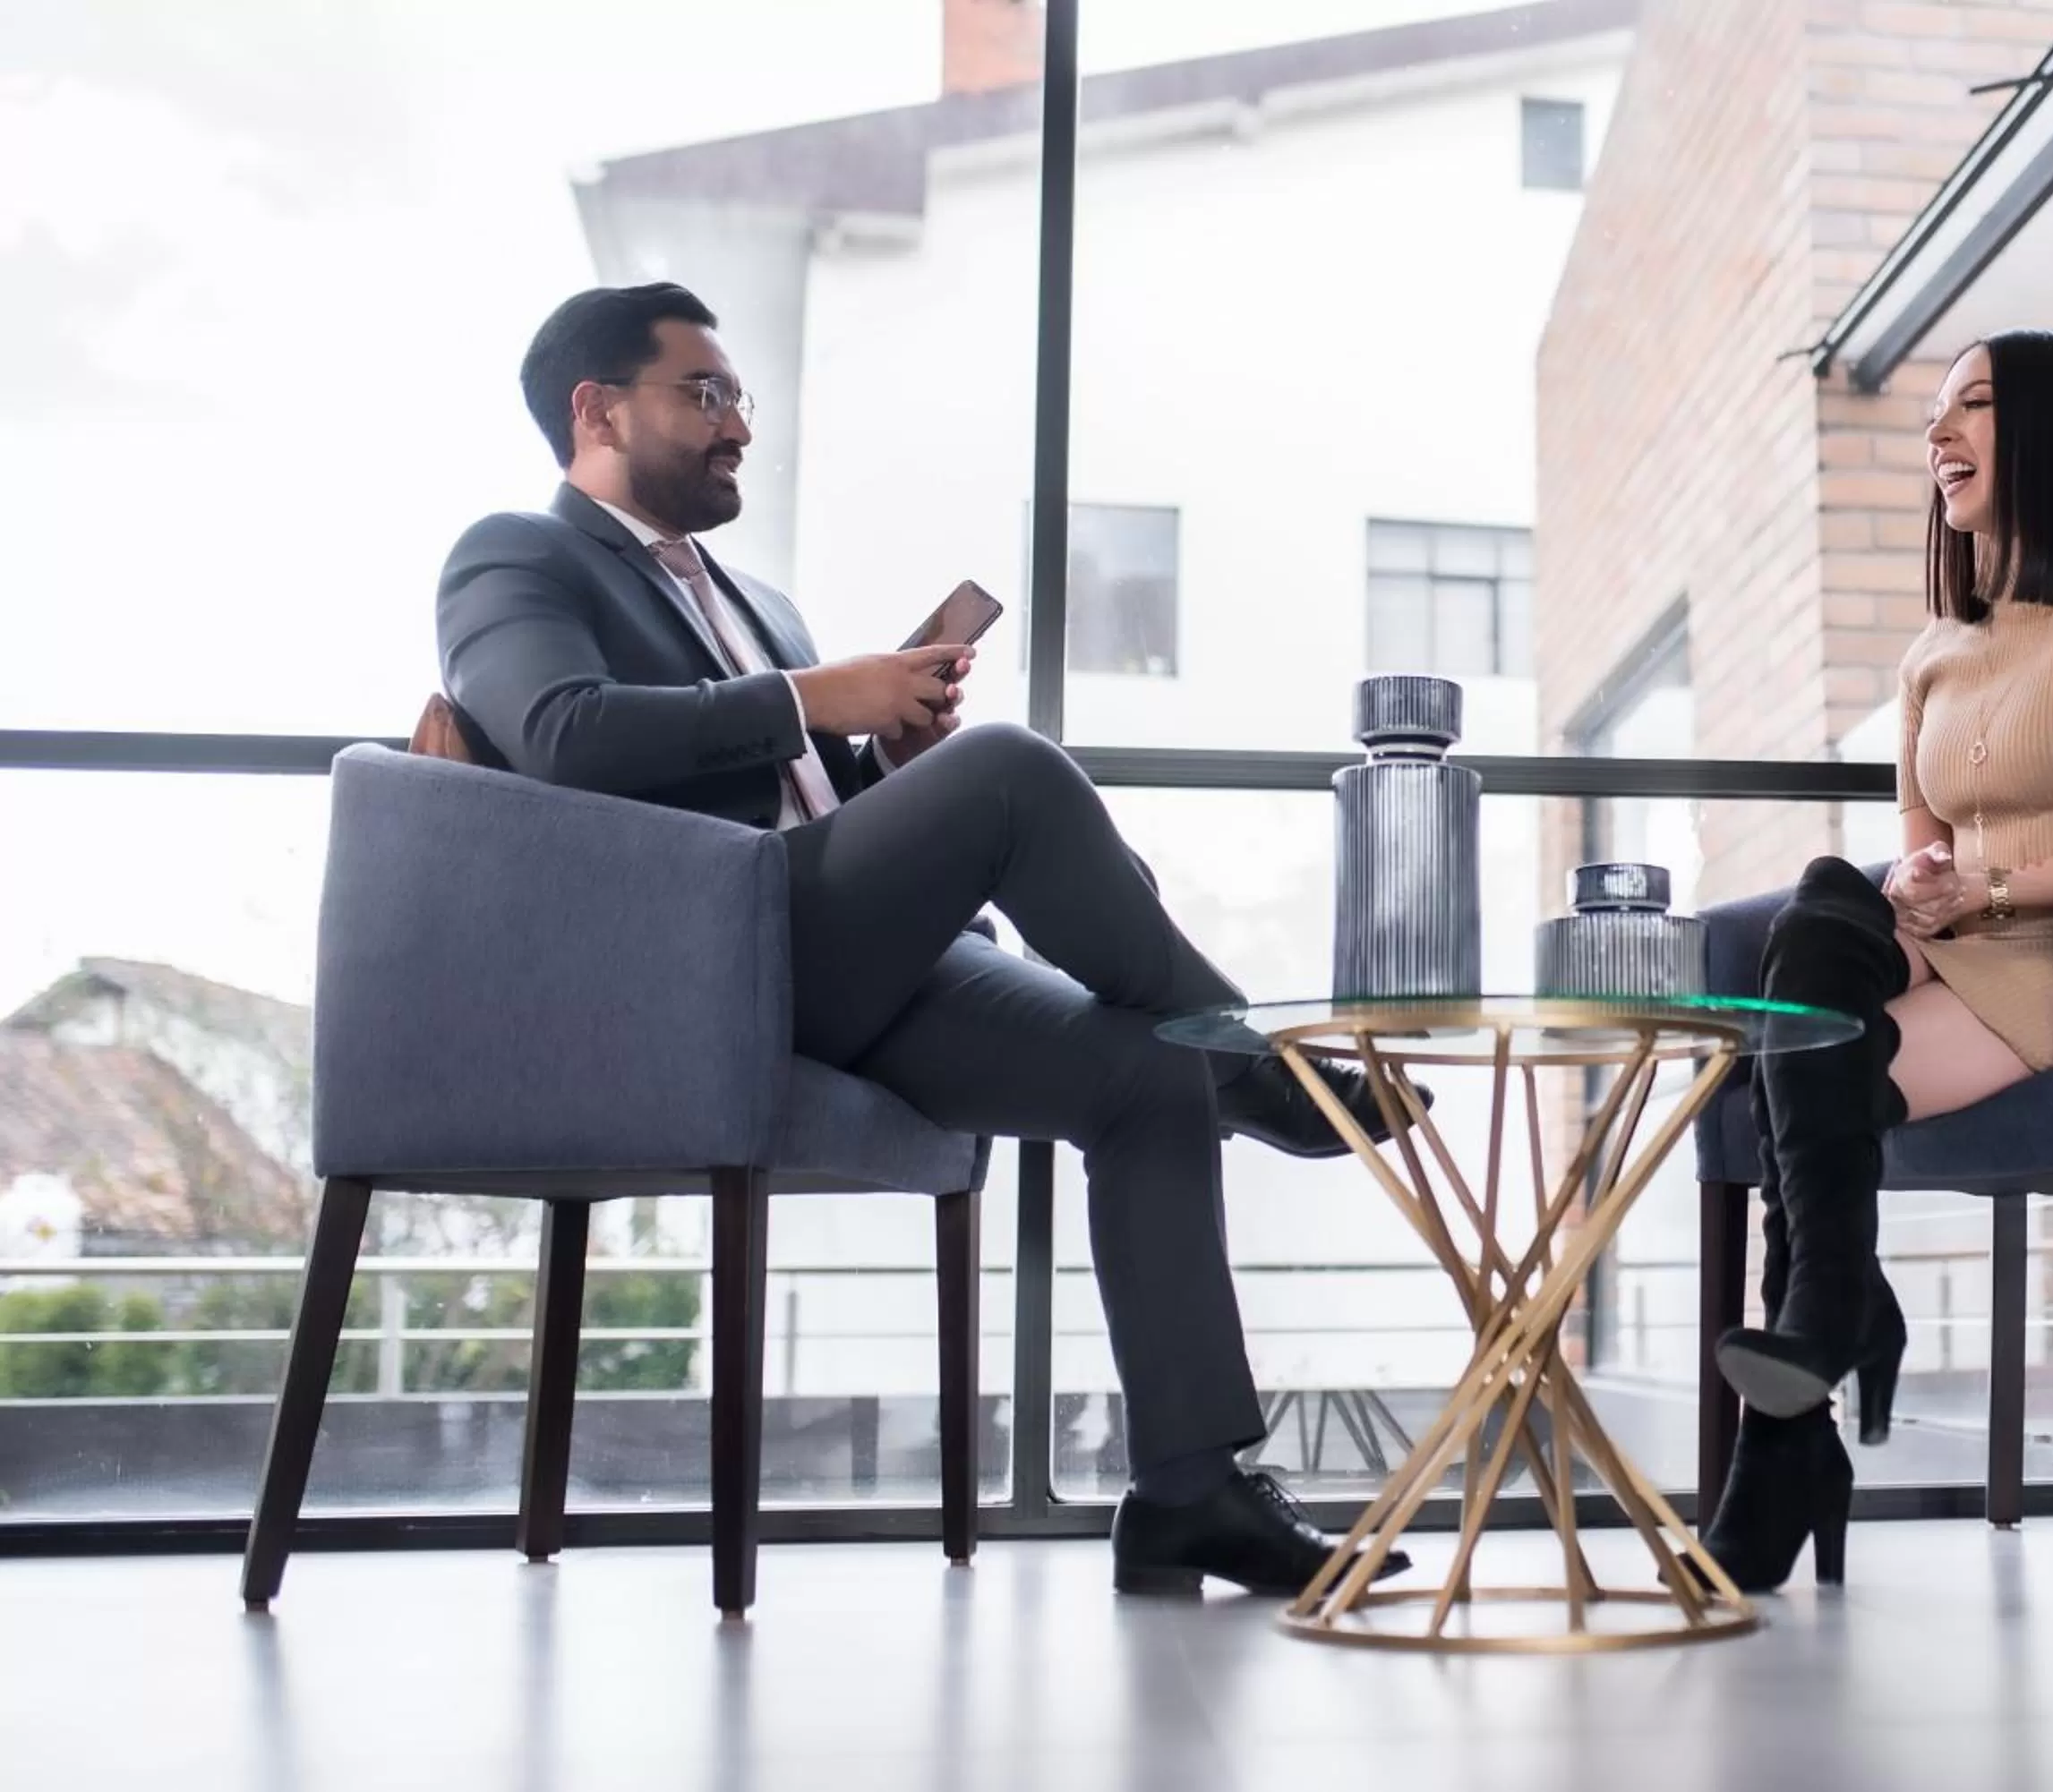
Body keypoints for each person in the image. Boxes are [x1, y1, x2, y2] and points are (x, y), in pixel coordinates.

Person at [439, 282, 1415, 1598]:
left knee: (1145, 1073)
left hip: (848, 960)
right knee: (1013, 771)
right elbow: (561, 729)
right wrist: (807, 696)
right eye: (705, 394)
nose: (738, 424)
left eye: (739, 396)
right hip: (697, 970)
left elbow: (805, 787)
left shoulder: (756, 601)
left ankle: (1193, 1488)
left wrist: (881, 752)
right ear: (597, 410)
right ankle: (1282, 1078)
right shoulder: (515, 557)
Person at [1700, 329, 2053, 1590]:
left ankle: (1795, 1422)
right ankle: (1835, 1316)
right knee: (1831, 903)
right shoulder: (1934, 650)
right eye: (1933, 415)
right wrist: (1922, 885)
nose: (1938, 435)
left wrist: (1988, 887)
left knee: (1804, 1070)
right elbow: (1921, 859)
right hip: (1948, 949)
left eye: (1972, 407)